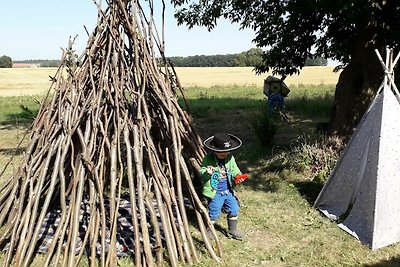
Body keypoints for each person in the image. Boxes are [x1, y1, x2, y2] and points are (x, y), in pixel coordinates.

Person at [201, 132, 247, 240]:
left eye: (226, 151)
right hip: (215, 192)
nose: (224, 154)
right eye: (221, 152)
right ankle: (209, 229)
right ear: (214, 150)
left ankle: (233, 229)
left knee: (234, 208)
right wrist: (207, 171)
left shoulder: (230, 158)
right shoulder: (208, 158)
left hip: (228, 190)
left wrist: (238, 175)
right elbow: (201, 171)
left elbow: (235, 169)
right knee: (214, 212)